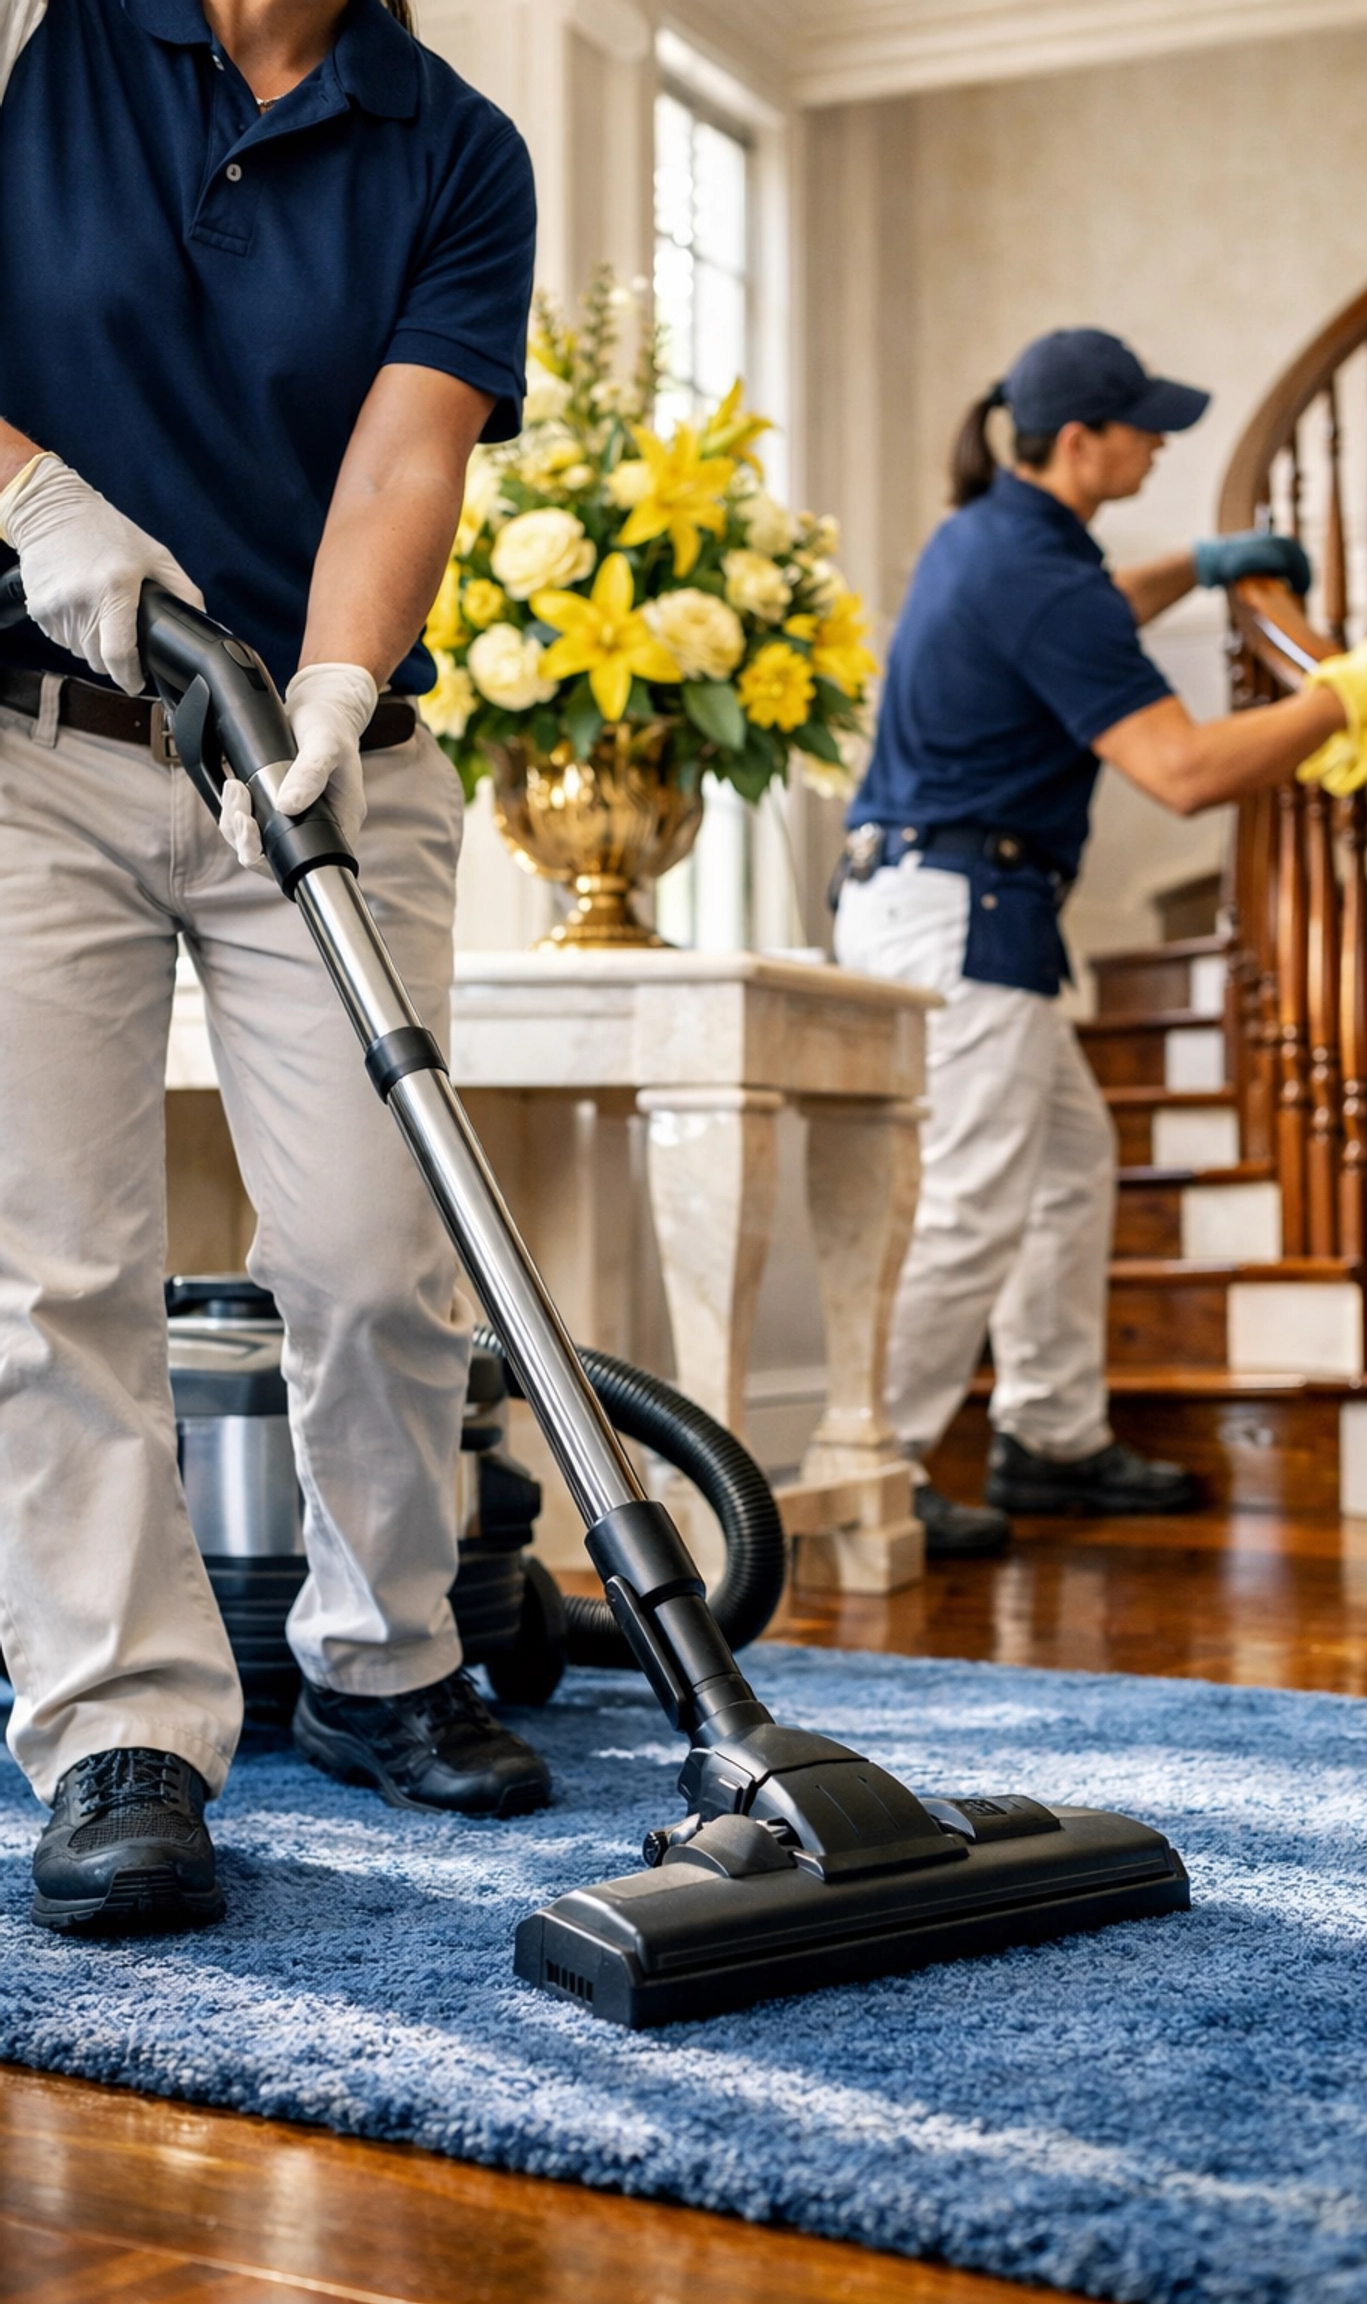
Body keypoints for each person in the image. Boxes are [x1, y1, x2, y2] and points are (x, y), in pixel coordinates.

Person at [0, 0, 548, 1936]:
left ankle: (384, 1657)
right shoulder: (25, 46)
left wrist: (330, 682)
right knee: (50, 1264)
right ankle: (117, 1734)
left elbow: (406, 459)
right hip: (30, 751)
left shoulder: (453, 144)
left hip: (315, 762)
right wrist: (30, 496)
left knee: (372, 1251)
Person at [834, 327, 1367, 1557]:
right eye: (1144, 426)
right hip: (967, 910)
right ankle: (871, 1481)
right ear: (1082, 442)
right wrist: (1352, 690)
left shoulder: (995, 538)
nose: (1161, 441)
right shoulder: (1033, 571)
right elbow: (1178, 771)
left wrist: (1206, 564)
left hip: (948, 896)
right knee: (969, 1206)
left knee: (1069, 1164)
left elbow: (1095, 611)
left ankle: (1050, 1438)